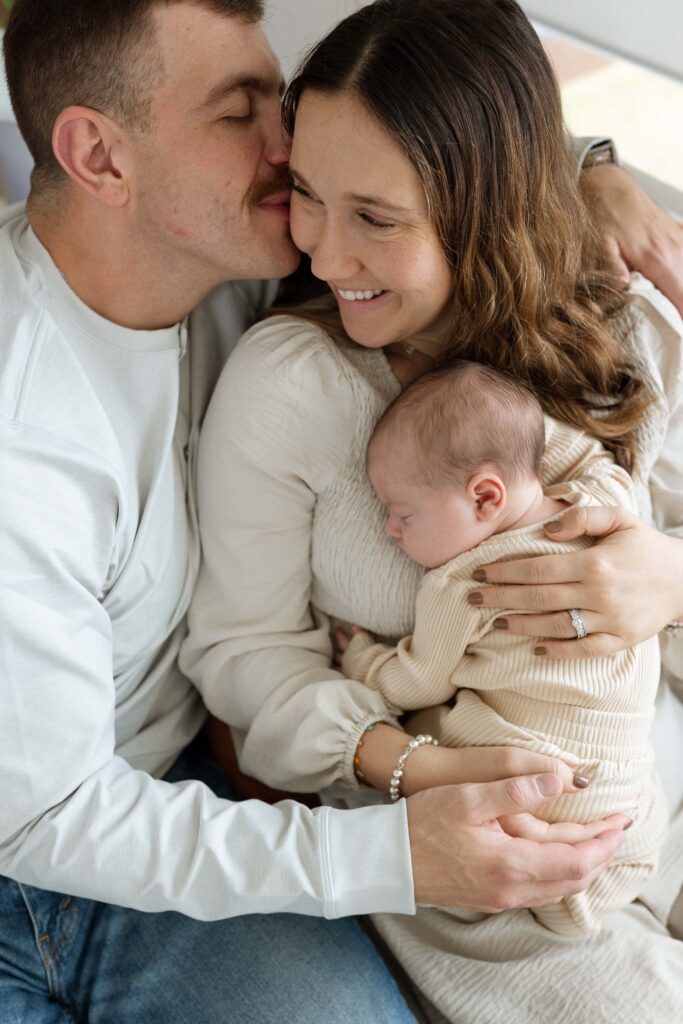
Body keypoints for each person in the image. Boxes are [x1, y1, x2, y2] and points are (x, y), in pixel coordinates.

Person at [0, 0, 681, 1020]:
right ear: (100, 157)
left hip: (594, 786)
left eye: (280, 101)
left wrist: (587, 163)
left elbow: (442, 143)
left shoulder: (230, 261)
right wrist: (398, 828)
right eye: (241, 115)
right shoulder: (36, 434)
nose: (287, 161)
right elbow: (55, 808)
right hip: (70, 833)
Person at [338, 361, 666, 935]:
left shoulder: (462, 583)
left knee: (432, 716)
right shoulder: (604, 501)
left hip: (536, 801)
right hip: (630, 812)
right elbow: (574, 451)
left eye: (402, 512)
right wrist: (512, 437)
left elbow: (418, 679)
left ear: (486, 497)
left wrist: (360, 659)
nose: (390, 529)